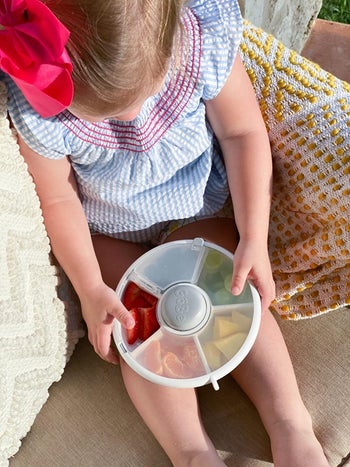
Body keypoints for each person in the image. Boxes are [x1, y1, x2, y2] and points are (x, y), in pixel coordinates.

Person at [0, 0, 330, 465]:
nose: (131, 118)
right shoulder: (40, 105)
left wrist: (253, 235)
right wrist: (91, 287)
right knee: (136, 325)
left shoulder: (201, 39)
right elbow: (58, 198)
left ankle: (289, 423)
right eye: (105, 114)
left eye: (141, 97)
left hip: (192, 215)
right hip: (112, 237)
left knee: (230, 293)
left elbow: (243, 134)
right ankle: (192, 453)